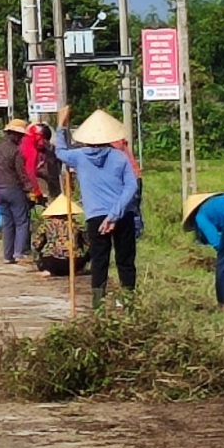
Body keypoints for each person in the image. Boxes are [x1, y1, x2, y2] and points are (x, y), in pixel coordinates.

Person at [54, 106, 142, 307]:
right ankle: (130, 305)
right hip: (123, 216)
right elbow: (131, 186)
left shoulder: (79, 156)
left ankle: (98, 308)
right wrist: (115, 214)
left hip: (96, 218)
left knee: (99, 262)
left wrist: (61, 126)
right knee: (126, 262)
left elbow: (60, 151)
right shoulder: (120, 157)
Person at [0, 119, 32, 264]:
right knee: (22, 221)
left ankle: (7, 255)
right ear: (15, 135)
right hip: (14, 189)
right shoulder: (16, 151)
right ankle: (19, 252)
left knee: (8, 223)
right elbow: (21, 173)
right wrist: (29, 189)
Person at [32, 192, 91, 277]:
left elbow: (37, 244)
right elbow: (89, 243)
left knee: (43, 254)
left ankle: (48, 271)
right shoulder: (77, 225)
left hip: (51, 263)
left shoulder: (46, 225)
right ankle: (78, 270)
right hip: (75, 263)